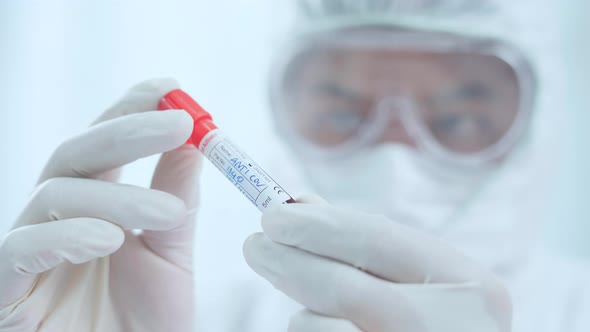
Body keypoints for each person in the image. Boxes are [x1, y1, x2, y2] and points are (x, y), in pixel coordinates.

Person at [0, 2, 587, 332]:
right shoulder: (199, 319)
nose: (393, 156)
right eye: (343, 111)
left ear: (539, 123)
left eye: (457, 120)